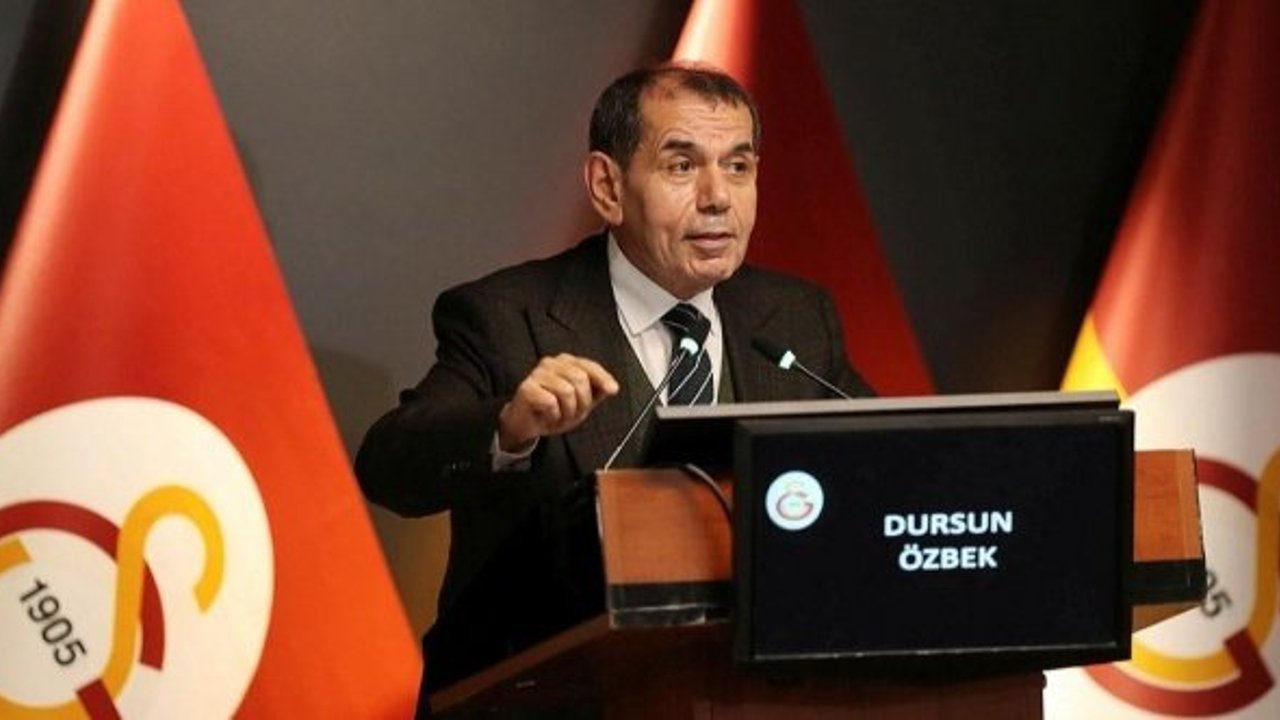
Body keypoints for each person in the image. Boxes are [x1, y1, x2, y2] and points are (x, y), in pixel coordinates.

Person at [355, 62, 873, 710]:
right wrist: (508, 427)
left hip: (746, 693)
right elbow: (389, 465)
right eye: (682, 166)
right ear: (607, 186)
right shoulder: (507, 317)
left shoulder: (794, 317)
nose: (718, 197)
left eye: (738, 166)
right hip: (543, 699)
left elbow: (877, 462)